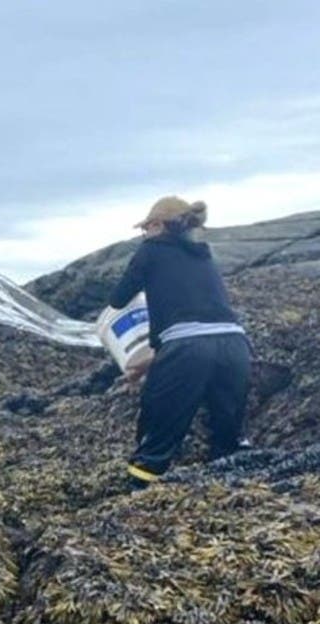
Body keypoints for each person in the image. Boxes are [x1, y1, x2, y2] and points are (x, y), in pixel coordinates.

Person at [108, 196, 252, 489]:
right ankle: (223, 497)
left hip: (187, 350)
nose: (143, 234)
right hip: (236, 346)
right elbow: (201, 324)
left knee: (156, 439)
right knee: (227, 439)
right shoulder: (203, 253)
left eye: (145, 228)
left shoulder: (151, 250)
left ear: (158, 225)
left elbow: (118, 299)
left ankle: (137, 497)